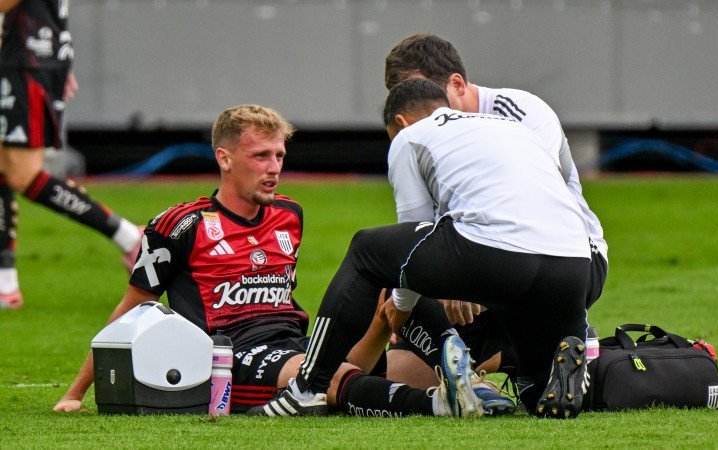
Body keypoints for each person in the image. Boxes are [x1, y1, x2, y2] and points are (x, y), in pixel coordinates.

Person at [53, 104, 477, 418]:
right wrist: (76, 392)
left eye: (279, 156)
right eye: (261, 157)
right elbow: (130, 313)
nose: (274, 168)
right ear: (224, 158)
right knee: (321, 376)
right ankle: (435, 406)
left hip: (296, 341)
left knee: (401, 325)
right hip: (232, 356)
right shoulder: (180, 225)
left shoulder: (289, 215)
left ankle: (472, 380)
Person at [256, 79, 592, 419]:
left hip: (498, 254)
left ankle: (307, 388)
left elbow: (413, 236)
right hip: (575, 263)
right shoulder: (511, 127)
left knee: (367, 251)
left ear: (400, 122)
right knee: (536, 393)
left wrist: (401, 305)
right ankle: (557, 362)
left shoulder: (409, 137)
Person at [381, 33, 608, 390]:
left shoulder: (521, 111)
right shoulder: (431, 137)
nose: (419, 118)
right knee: (395, 360)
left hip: (568, 259)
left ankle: (548, 343)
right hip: (486, 263)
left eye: (427, 100)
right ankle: (533, 355)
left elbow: (537, 210)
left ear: (456, 85)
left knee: (386, 278)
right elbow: (420, 231)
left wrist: (465, 276)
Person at [0, 0, 141, 309]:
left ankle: (129, 237)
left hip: (25, 59)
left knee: (22, 173)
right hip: (26, 54)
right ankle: (5, 283)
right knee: (5, 164)